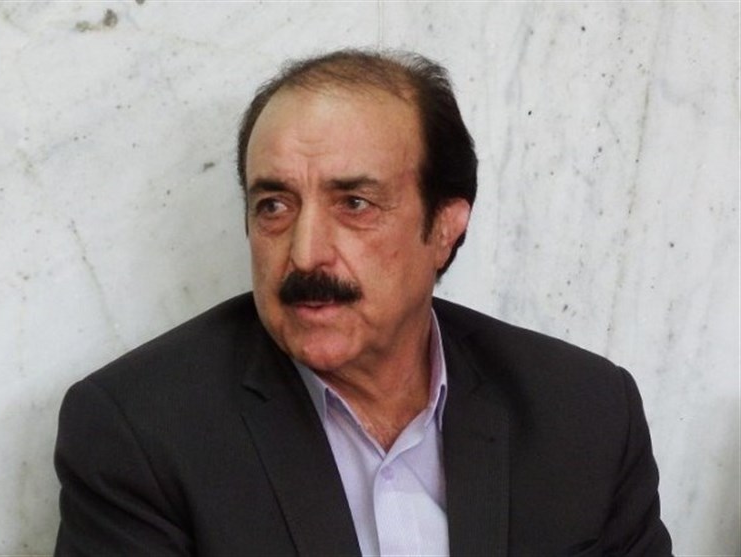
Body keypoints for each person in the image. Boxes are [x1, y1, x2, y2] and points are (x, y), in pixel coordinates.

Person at [53, 49, 672, 556]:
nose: (305, 254)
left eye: (354, 204)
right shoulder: (140, 431)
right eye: (274, 206)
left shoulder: (584, 413)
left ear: (445, 227)